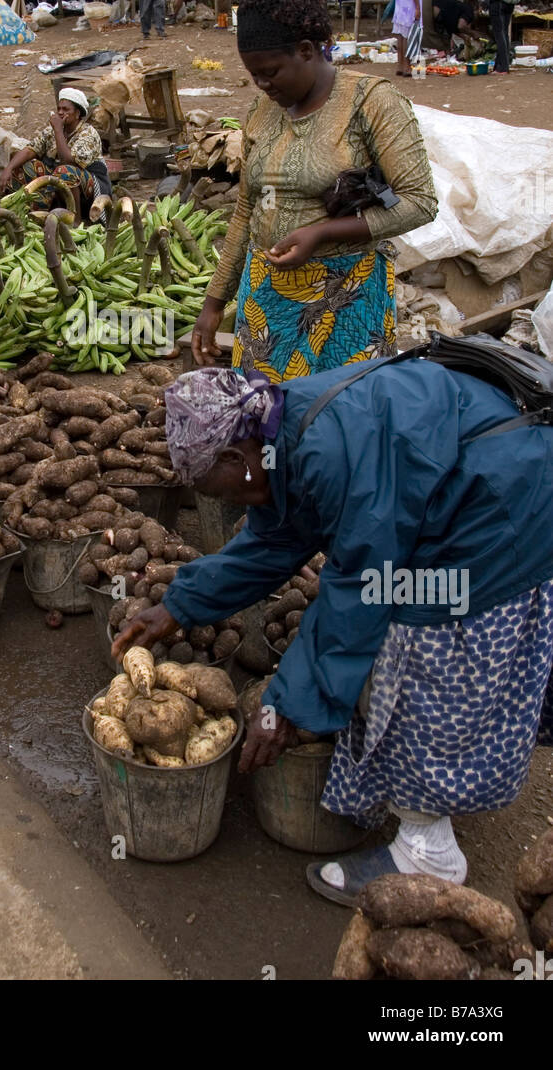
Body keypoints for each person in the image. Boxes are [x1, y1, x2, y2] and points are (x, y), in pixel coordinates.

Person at [113, 363, 553, 905]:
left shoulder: (329, 449)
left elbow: (360, 589)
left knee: (408, 645)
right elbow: (275, 542)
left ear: (235, 457)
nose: (222, 500)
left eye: (213, 486)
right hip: (460, 480)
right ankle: (407, 793)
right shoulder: (277, 431)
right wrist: (178, 605)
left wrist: (289, 704)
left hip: (501, 504)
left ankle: (428, 853)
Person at [191, 0, 437, 379]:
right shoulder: (262, 111)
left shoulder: (371, 102)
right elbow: (246, 210)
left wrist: (323, 233)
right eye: (255, 75)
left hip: (346, 297)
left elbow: (420, 201)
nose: (263, 84)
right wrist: (214, 302)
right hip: (266, 302)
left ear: (307, 51)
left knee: (341, 419)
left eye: (271, 72)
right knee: (266, 423)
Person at [0, 88, 110, 220]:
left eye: (66, 110)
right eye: (59, 109)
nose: (61, 113)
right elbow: (31, 149)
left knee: (65, 171)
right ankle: (35, 212)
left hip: (87, 187)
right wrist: (8, 169)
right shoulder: (52, 130)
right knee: (26, 166)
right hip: (57, 180)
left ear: (77, 113)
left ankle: (75, 219)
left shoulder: (88, 133)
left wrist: (58, 131)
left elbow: (68, 160)